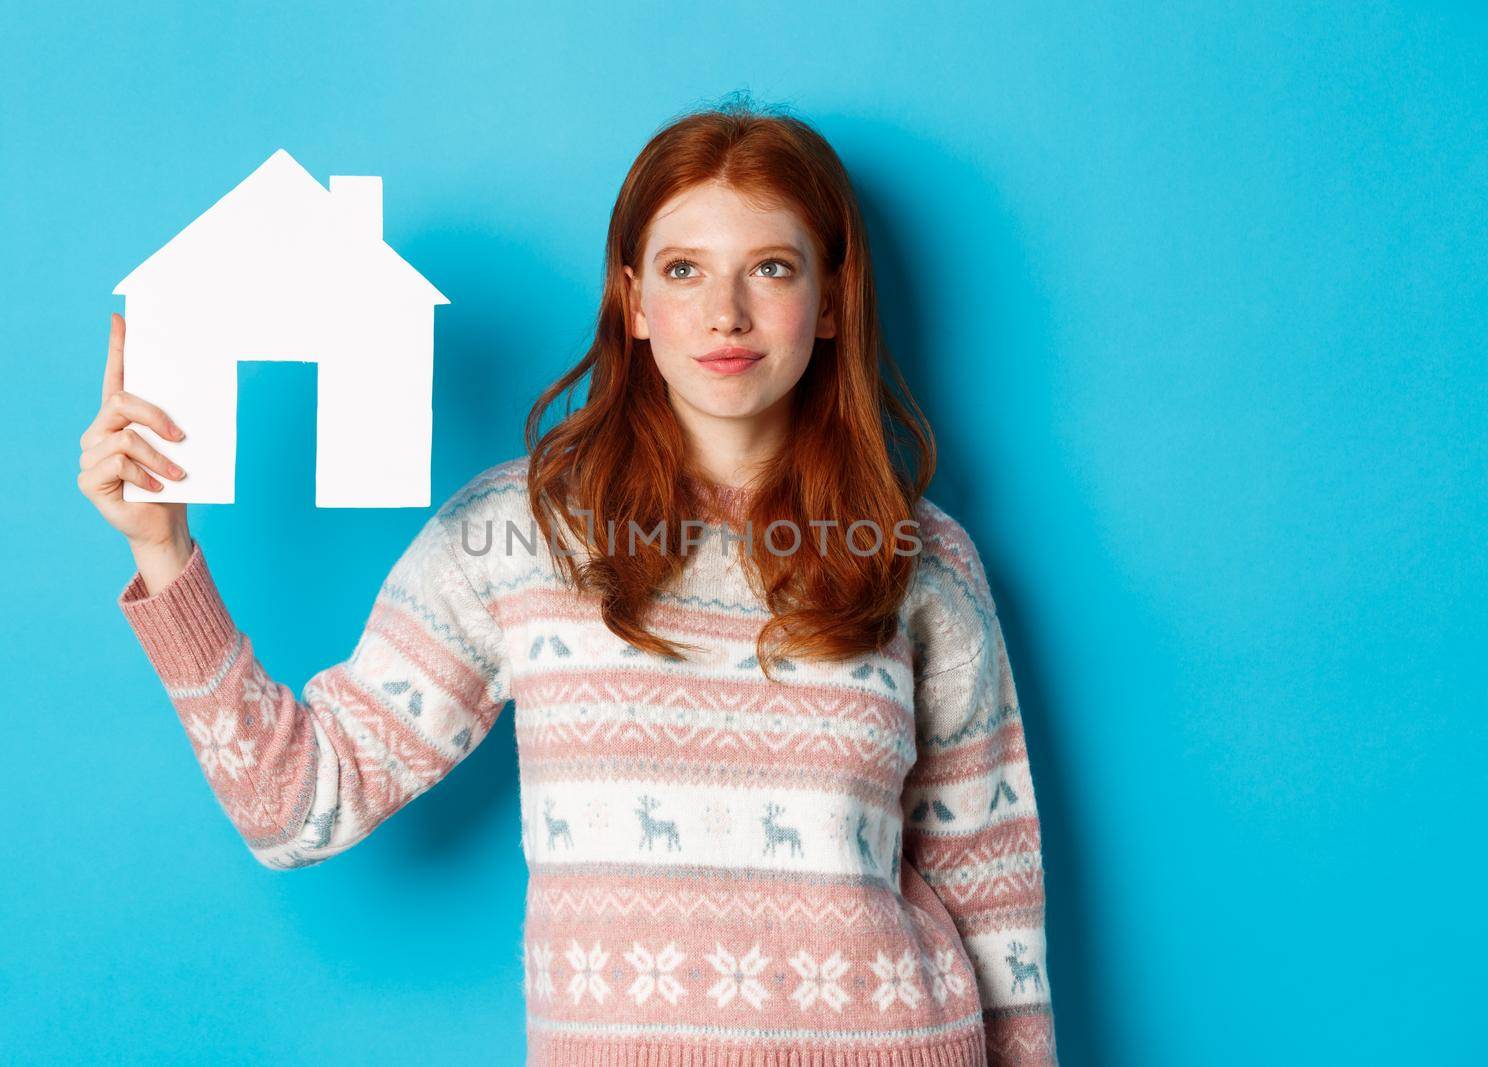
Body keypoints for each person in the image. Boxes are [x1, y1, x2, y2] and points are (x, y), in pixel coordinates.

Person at [78, 99, 1059, 1066]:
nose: (726, 313)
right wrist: (163, 552)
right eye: (684, 270)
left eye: (770, 267)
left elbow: (991, 890)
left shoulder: (918, 556)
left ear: (832, 299)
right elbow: (298, 804)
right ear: (634, 300)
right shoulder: (516, 535)